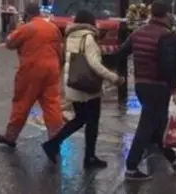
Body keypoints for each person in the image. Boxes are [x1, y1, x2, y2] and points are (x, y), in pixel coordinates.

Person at [41, 10, 124, 169]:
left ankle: (61, 147)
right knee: (91, 122)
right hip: (88, 86)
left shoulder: (71, 36)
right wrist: (114, 78)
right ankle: (84, 155)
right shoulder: (88, 38)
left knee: (80, 119)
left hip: (73, 83)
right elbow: (94, 64)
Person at [117, 1, 176, 181]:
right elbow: (167, 65)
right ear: (165, 16)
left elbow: (121, 53)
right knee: (147, 126)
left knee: (158, 123)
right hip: (158, 86)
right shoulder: (166, 36)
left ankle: (172, 157)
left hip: (141, 84)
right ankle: (131, 167)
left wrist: (126, 72)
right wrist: (174, 88)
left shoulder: (137, 33)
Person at [0, 3, 64, 147]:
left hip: (32, 69)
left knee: (22, 102)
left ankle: (11, 136)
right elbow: (60, 51)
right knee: (52, 103)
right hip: (52, 69)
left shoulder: (27, 28)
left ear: (27, 14)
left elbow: (10, 43)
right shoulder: (53, 28)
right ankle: (55, 138)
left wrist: (17, 28)